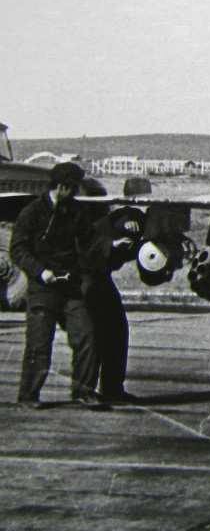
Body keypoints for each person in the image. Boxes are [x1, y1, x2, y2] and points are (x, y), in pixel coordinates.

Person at [10, 162, 108, 410]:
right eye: (73, 188)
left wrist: (112, 245)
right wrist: (40, 271)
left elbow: (90, 241)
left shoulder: (76, 211)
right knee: (39, 344)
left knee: (87, 336)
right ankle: (28, 395)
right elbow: (18, 249)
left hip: (70, 286)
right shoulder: (32, 212)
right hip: (42, 288)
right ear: (61, 186)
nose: (76, 192)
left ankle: (83, 391)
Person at [81, 206, 144, 403]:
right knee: (92, 334)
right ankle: (86, 391)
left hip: (100, 277)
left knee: (117, 330)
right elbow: (117, 216)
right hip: (84, 277)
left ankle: (112, 388)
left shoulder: (131, 229)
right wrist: (125, 221)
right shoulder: (101, 225)